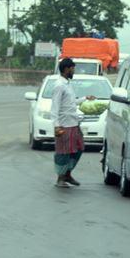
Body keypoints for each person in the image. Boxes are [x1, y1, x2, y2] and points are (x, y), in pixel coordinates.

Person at [51, 57, 87, 187]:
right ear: (66, 69)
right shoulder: (59, 86)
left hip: (73, 123)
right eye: (72, 69)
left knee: (78, 149)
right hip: (64, 125)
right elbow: (54, 107)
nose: (73, 71)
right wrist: (56, 126)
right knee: (63, 152)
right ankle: (60, 178)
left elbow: (71, 103)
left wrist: (84, 99)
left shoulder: (68, 84)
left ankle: (68, 174)